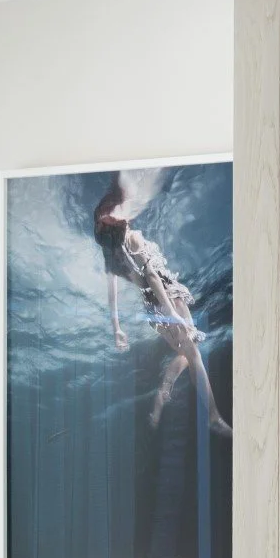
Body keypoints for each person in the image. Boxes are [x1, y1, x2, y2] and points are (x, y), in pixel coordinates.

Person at [93, 177, 232, 436]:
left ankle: (163, 392)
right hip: (167, 298)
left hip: (152, 309)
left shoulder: (111, 254)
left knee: (189, 353)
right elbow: (154, 278)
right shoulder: (132, 238)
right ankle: (212, 415)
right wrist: (173, 315)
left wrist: (117, 329)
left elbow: (112, 292)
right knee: (193, 354)